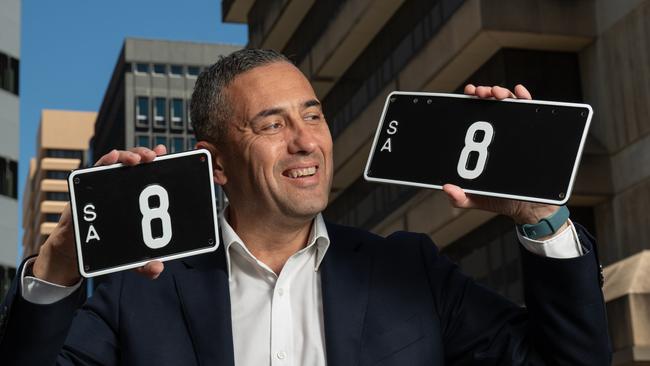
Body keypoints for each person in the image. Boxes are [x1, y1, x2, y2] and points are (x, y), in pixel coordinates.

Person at [0, 49, 610, 365]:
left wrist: (538, 217)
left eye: (312, 115)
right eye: (273, 123)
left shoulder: (409, 272)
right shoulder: (137, 293)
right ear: (215, 164)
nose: (306, 141)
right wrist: (55, 275)